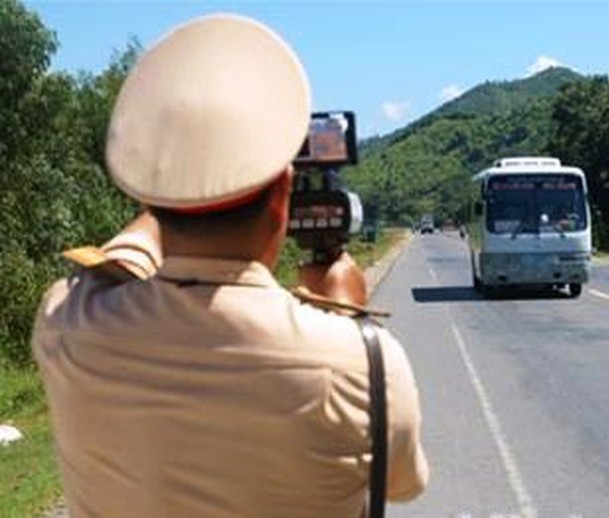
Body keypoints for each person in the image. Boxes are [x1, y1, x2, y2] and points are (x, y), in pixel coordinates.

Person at [32, 14, 427, 518]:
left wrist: (179, 169)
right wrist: (345, 316)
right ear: (283, 196)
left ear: (152, 197)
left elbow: (118, 259)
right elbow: (402, 483)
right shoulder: (365, 364)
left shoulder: (67, 321)